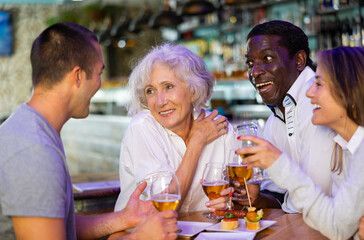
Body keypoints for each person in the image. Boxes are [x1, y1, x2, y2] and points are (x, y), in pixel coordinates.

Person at [0, 22, 178, 240]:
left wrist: (124, 218)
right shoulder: (34, 151)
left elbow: (60, 225)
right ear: (77, 76)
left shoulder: (29, 126)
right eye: (98, 73)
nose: (99, 84)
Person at [238, 46, 364, 239]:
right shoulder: (346, 147)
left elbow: (337, 228)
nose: (309, 93)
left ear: (350, 90)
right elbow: (340, 222)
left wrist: (279, 163)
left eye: (319, 84)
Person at [114, 43, 235, 213]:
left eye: (168, 87)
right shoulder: (142, 127)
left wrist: (230, 201)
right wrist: (196, 142)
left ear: (193, 90)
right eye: (150, 91)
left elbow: (241, 196)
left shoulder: (219, 128)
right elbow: (162, 209)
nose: (160, 101)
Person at [238, 20, 335, 212]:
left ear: (299, 60)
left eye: (267, 58)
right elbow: (279, 195)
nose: (255, 72)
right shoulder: (275, 119)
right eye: (250, 63)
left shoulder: (320, 106)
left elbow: (316, 196)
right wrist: (256, 200)